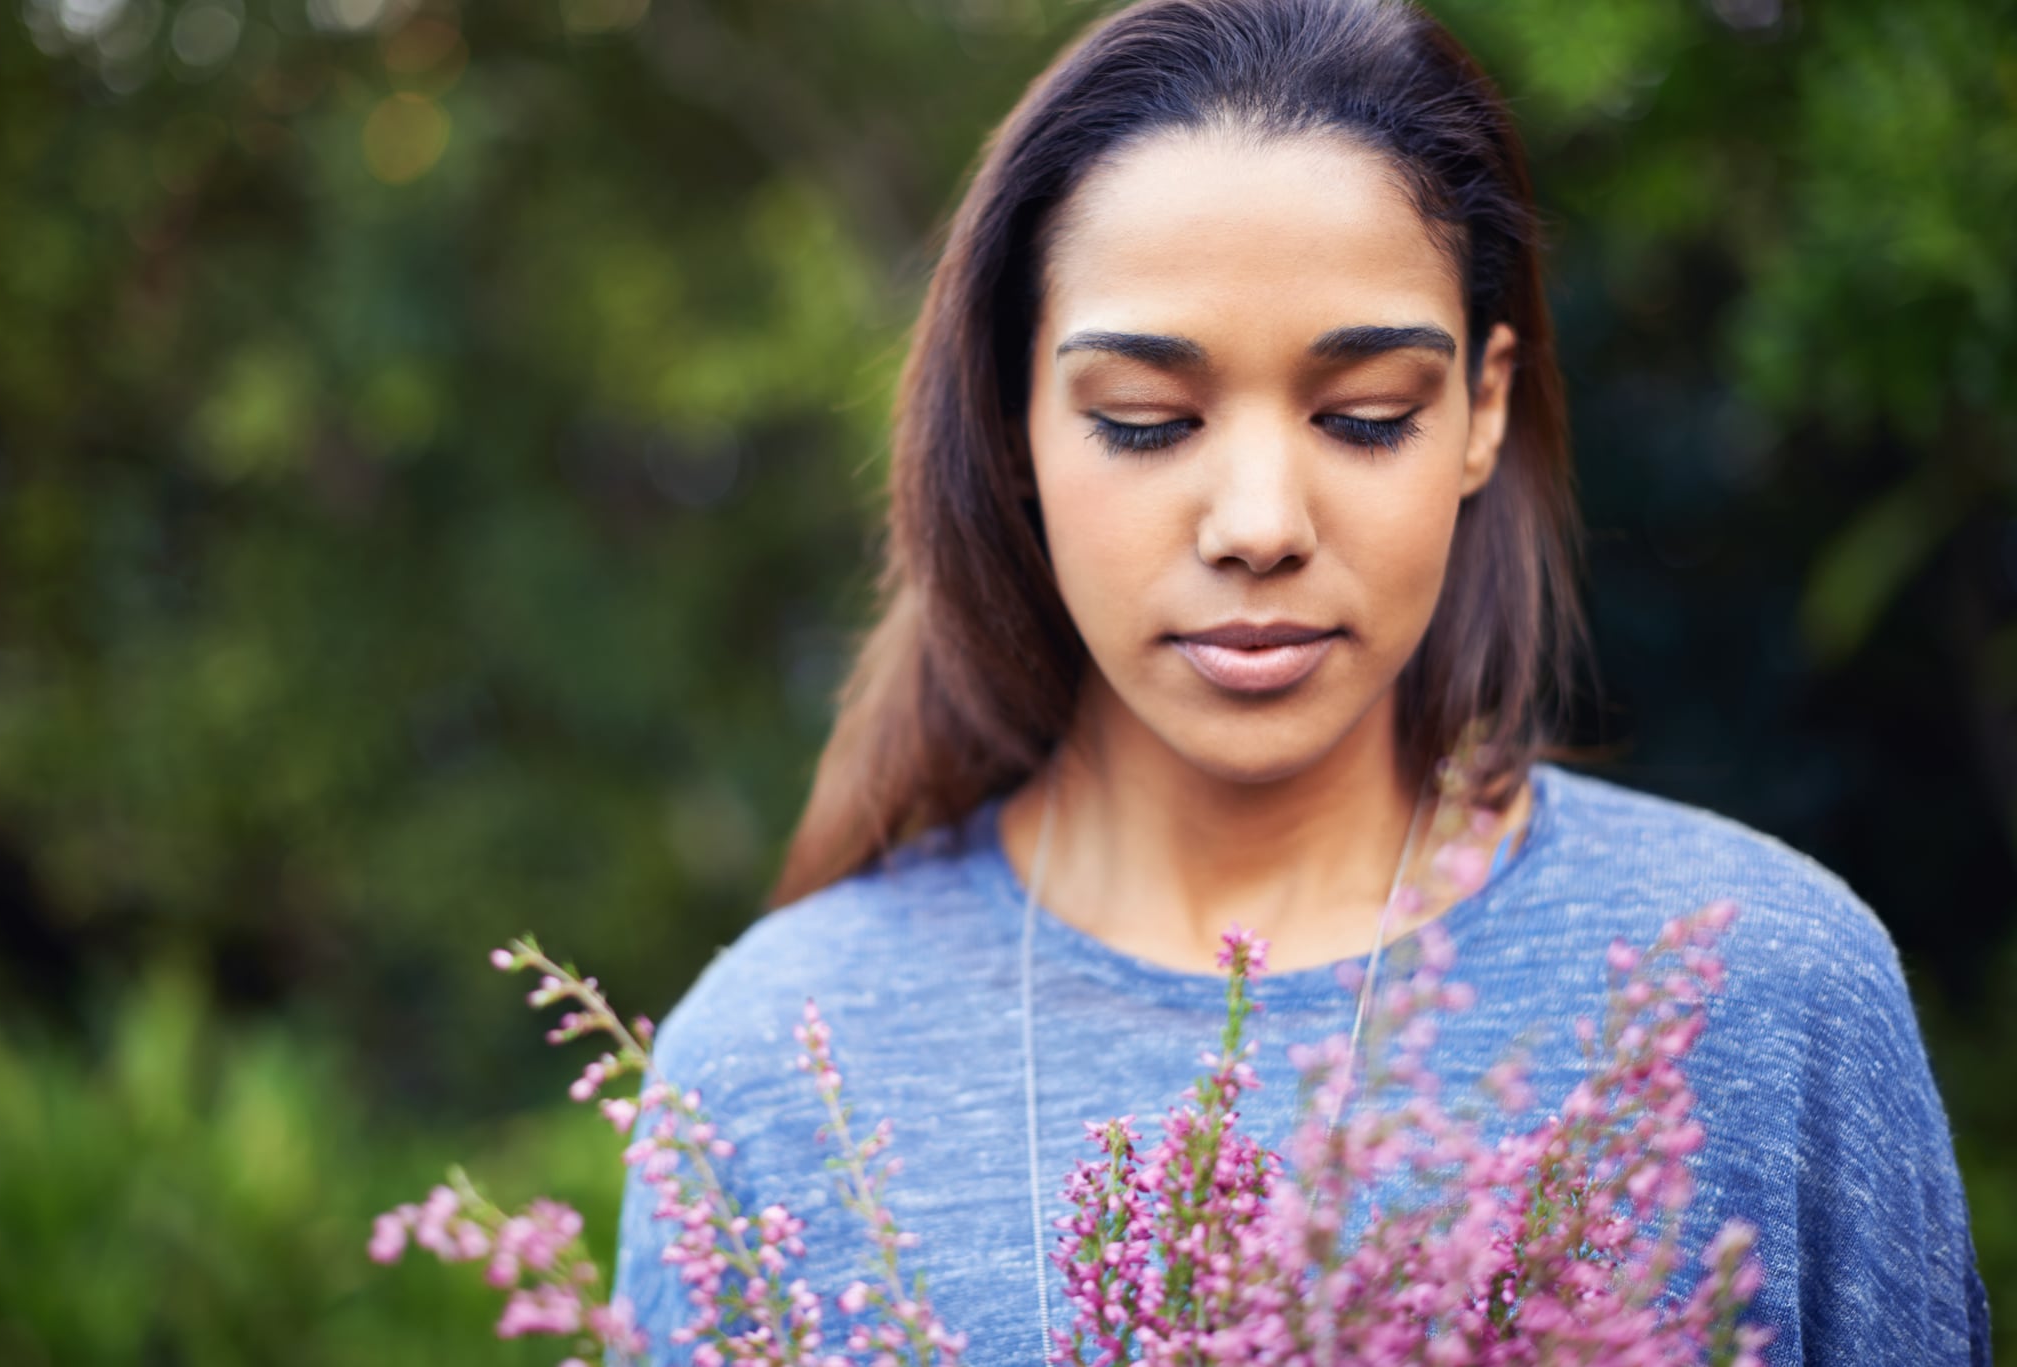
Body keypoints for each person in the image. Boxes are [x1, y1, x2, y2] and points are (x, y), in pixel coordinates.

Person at [612, 0, 1991, 1362]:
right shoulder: (776, 1071)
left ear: (1482, 412)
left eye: (1364, 416)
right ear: (1013, 417)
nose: (1261, 522)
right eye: (1145, 423)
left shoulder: (1763, 997)